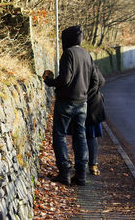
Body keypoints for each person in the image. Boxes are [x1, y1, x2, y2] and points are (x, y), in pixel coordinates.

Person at [43, 25, 98, 186]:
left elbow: (65, 79)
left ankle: (64, 172)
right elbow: (95, 81)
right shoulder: (87, 55)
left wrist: (50, 82)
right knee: (80, 137)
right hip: (82, 103)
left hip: (66, 102)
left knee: (59, 136)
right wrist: (85, 94)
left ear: (66, 39)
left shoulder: (68, 54)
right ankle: (81, 175)